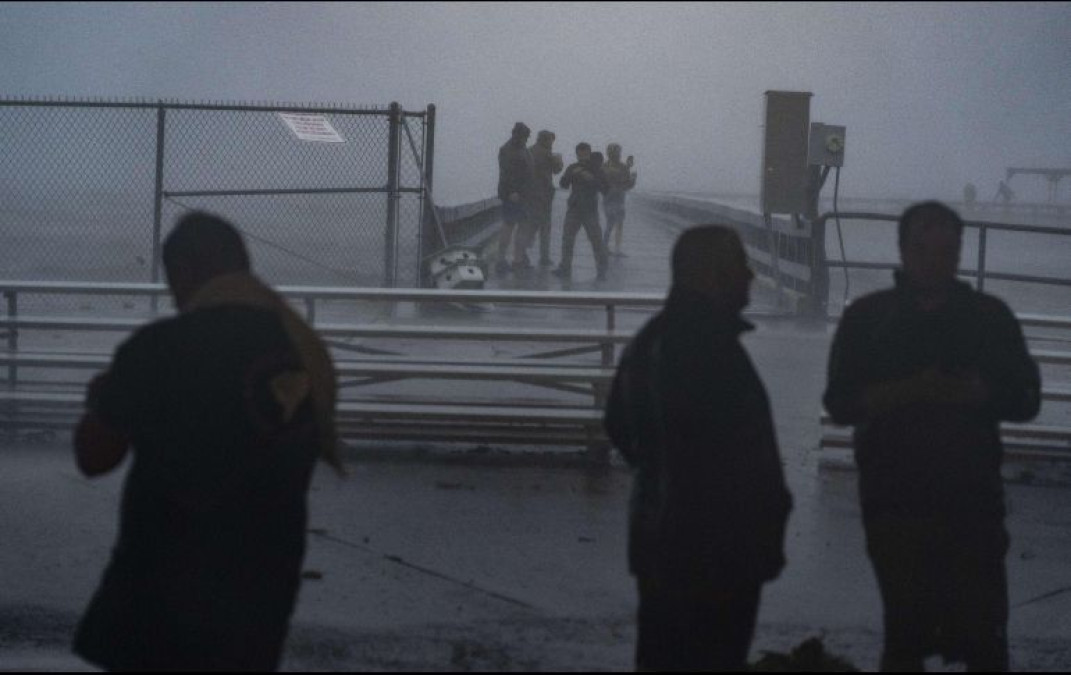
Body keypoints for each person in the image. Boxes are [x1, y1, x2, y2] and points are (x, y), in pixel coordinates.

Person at [72, 211, 343, 671]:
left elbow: (94, 457)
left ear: (186, 271)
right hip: (263, 585)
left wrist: (103, 399)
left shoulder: (159, 348)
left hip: (161, 587)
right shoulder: (302, 352)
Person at [823, 201, 1041, 672]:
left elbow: (1026, 398)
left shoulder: (872, 317)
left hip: (963, 505)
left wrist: (973, 393)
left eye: (945, 250)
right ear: (903, 251)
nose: (934, 261)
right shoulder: (984, 316)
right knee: (916, 636)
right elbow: (838, 402)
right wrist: (941, 392)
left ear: (959, 252)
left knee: (970, 638)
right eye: (924, 249)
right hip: (900, 505)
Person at [605, 225, 793, 671]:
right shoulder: (708, 350)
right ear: (710, 276)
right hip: (713, 555)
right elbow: (724, 459)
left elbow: (617, 424)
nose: (749, 275)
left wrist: (654, 475)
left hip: (662, 542)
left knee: (663, 653)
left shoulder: (653, 339)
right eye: (739, 266)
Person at [554, 142, 610, 282]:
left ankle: (602, 271)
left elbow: (606, 189)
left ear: (589, 153)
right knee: (567, 239)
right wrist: (570, 175)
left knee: (596, 241)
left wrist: (591, 179)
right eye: (579, 154)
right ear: (577, 154)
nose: (582, 157)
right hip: (574, 209)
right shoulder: (573, 167)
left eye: (584, 154)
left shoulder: (597, 169)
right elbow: (563, 184)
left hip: (590, 210)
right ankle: (565, 268)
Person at [496, 122, 534, 274]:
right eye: (525, 136)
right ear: (518, 135)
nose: (526, 139)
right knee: (510, 225)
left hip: (523, 194)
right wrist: (512, 191)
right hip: (514, 194)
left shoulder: (520, 148)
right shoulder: (508, 150)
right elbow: (507, 173)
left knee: (521, 226)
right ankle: (505, 259)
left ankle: (517, 259)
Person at [526, 129, 564, 267]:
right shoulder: (547, 153)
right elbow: (557, 169)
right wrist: (559, 159)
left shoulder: (529, 150)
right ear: (546, 140)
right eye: (551, 140)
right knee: (544, 227)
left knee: (531, 224)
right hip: (544, 195)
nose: (552, 143)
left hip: (530, 194)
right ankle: (544, 257)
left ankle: (522, 253)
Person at [601, 143, 637, 257]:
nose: (618, 154)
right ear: (610, 153)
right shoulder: (606, 167)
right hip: (609, 199)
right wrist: (626, 173)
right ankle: (607, 247)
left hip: (619, 199)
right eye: (616, 152)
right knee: (611, 223)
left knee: (618, 224)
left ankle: (613, 248)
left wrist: (633, 178)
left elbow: (627, 185)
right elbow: (604, 180)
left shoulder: (622, 167)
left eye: (618, 152)